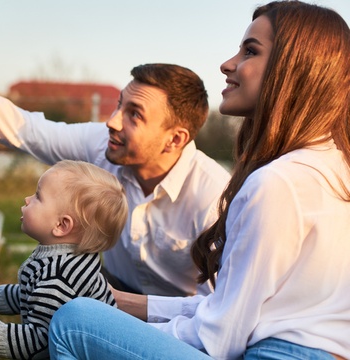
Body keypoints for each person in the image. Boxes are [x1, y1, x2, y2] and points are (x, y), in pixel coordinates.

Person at [47, 1, 350, 359]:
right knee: (92, 311)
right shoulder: (333, 164)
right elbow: (230, 308)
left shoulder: (277, 183)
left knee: (74, 322)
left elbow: (220, 338)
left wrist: (123, 327)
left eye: (250, 51)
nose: (228, 64)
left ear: (294, 70)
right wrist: (120, 304)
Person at [0, 15, 232, 297]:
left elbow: (216, 313)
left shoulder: (214, 198)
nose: (112, 121)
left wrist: (113, 306)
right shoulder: (103, 146)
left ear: (175, 139)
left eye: (134, 114)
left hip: (178, 323)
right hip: (110, 289)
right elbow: (18, 125)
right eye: (119, 104)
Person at [0, 159, 128, 359]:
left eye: (37, 196)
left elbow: (41, 342)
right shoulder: (64, 259)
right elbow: (34, 295)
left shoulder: (58, 279)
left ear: (61, 225)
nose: (27, 199)